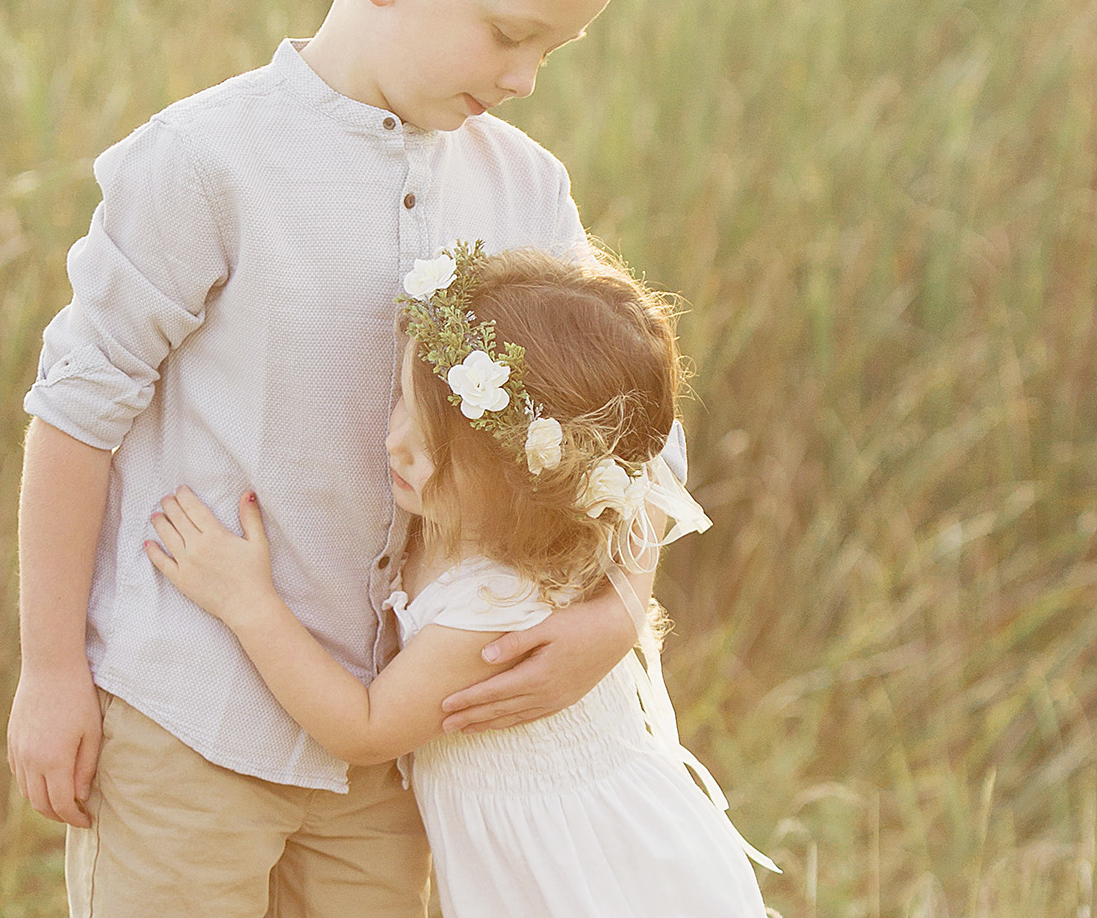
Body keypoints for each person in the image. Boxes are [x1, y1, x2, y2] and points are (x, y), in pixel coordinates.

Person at [7, 0, 653, 918]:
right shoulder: (205, 162)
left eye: (552, 50)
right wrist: (51, 670)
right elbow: (73, 413)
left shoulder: (526, 185)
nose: (522, 76)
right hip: (183, 719)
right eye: (510, 33)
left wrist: (611, 614)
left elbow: (626, 437)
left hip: (388, 742)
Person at [145, 241, 778, 918]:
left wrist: (249, 603)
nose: (395, 444)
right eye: (402, 408)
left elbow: (364, 728)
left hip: (584, 874)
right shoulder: (504, 517)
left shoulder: (492, 606)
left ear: (520, 475)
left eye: (429, 443)